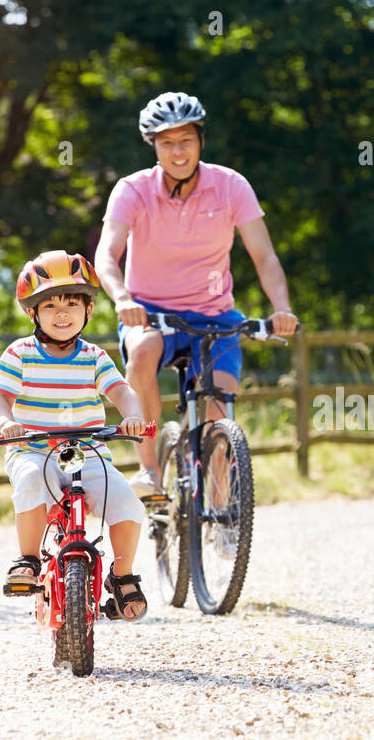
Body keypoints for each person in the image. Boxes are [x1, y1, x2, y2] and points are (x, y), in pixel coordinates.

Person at [94, 91, 299, 499]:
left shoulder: (231, 186)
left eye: (185, 139)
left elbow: (265, 255)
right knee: (143, 351)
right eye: (167, 142)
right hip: (149, 313)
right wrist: (122, 298)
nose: (178, 150)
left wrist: (282, 308)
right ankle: (149, 468)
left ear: (201, 140)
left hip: (215, 315)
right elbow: (106, 254)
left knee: (220, 401)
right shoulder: (132, 190)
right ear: (153, 145)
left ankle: (221, 504)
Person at [0, 250, 150, 621]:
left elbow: (121, 391)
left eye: (73, 303)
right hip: (34, 449)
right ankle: (26, 558)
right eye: (50, 305)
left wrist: (133, 416)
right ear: (33, 313)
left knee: (126, 502)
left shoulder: (93, 356)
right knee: (28, 481)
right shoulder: (20, 353)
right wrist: (7, 423)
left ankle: (122, 576)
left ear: (88, 310)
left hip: (87, 450)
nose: (62, 313)